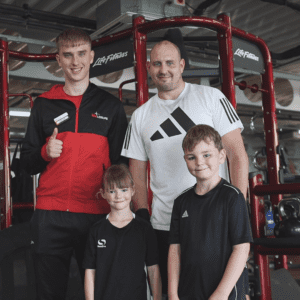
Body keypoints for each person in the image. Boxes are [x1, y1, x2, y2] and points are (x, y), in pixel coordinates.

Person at [121, 40, 249, 297]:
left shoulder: (211, 97)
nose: (163, 69)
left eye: (170, 63)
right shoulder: (141, 116)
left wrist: (237, 206)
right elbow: (136, 168)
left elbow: (236, 153)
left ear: (181, 65)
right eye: (157, 63)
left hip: (214, 221)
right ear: (148, 67)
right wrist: (142, 213)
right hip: (166, 224)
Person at [21, 28, 128, 300]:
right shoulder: (44, 105)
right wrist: (45, 152)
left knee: (99, 292)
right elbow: (26, 163)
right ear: (58, 60)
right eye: (68, 55)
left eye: (81, 54)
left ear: (92, 56)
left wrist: (124, 212)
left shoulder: (110, 106)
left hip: (95, 213)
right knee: (48, 293)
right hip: (50, 214)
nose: (75, 62)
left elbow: (120, 164)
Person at [168, 124, 252, 300]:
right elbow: (175, 250)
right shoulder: (181, 202)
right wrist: (172, 293)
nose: (199, 162)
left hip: (225, 293)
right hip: (188, 292)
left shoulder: (233, 197)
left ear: (221, 156)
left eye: (206, 155)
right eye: (192, 157)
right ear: (185, 159)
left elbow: (242, 249)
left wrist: (221, 294)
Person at [83, 164, 162, 300]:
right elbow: (90, 271)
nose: (119, 195)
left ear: (132, 190)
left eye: (124, 190)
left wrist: (157, 298)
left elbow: (153, 269)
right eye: (112, 191)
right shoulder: (96, 231)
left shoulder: (144, 229)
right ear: (104, 194)